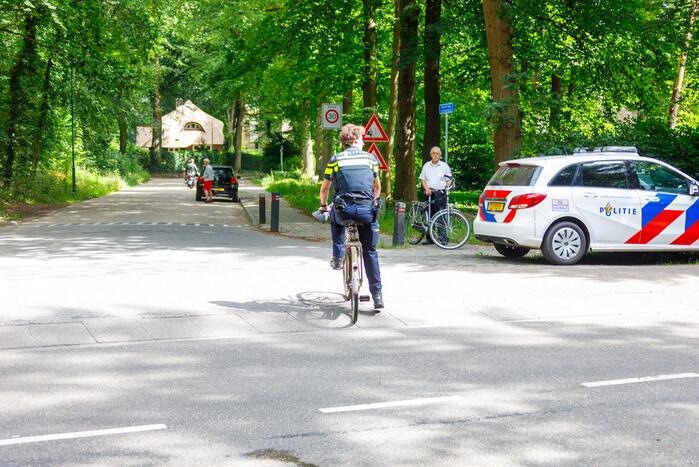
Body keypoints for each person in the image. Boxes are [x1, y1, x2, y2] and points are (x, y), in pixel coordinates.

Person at [319, 123, 384, 310]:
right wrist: (374, 201)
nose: (364, 142)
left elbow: (325, 188)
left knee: (334, 218)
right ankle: (377, 296)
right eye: (362, 138)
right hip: (366, 211)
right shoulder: (371, 159)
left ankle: (338, 257)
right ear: (356, 139)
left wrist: (324, 206)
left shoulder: (335, 159)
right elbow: (377, 187)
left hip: (343, 209)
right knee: (370, 251)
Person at [419, 146, 452, 244]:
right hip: (429, 192)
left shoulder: (444, 166)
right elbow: (423, 179)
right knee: (429, 215)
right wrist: (426, 188)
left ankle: (442, 239)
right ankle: (430, 238)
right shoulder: (426, 165)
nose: (435, 155)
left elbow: (449, 179)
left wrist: (448, 185)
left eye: (437, 153)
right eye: (433, 153)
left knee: (440, 215)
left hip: (440, 193)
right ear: (431, 155)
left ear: (440, 155)